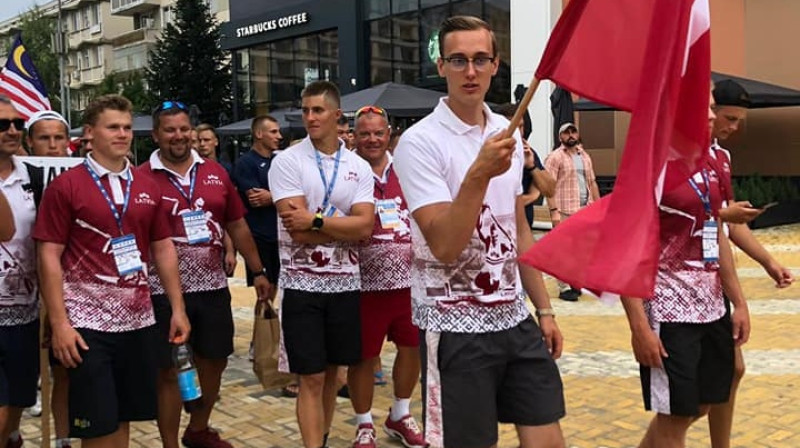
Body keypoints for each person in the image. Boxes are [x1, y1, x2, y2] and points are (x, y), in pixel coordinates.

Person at [393, 16, 566, 448]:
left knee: (548, 438)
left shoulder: (504, 133)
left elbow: (518, 229)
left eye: (480, 59)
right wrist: (478, 174)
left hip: (513, 317)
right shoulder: (420, 143)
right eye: (458, 60)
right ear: (441, 67)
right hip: (453, 324)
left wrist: (543, 309)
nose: (470, 71)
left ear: (495, 65)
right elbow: (445, 245)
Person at [34, 94, 191, 448]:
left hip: (138, 323)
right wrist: (59, 323)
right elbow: (49, 255)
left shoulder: (147, 184)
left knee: (123, 418)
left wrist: (177, 308)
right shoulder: (67, 186)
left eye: (126, 127)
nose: (122, 134)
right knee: (99, 427)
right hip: (88, 326)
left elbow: (163, 247)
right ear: (90, 133)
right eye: (112, 127)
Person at [138, 101, 273, 448]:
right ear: (156, 135)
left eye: (184, 129)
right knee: (168, 373)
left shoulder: (215, 173)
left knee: (215, 360)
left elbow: (237, 223)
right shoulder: (140, 177)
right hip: (162, 293)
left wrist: (257, 270)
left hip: (212, 287)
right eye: (169, 130)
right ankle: (169, 443)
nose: (178, 136)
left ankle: (198, 428)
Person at [620, 90, 750, 448]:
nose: (711, 116)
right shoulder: (652, 163)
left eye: (711, 108)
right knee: (674, 418)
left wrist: (738, 303)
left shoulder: (710, 162)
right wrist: (639, 325)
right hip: (667, 309)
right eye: (703, 107)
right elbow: (626, 246)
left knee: (704, 403)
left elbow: (716, 233)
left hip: (709, 307)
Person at [269, 80, 374, 448]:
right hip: (302, 287)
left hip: (345, 284)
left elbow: (365, 227)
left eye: (318, 110)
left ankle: (324, 438)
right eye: (306, 110)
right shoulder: (287, 162)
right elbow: (295, 233)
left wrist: (316, 221)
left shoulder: (357, 166)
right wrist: (342, 227)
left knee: (333, 375)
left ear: (336, 114)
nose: (310, 117)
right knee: (310, 377)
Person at [706, 79, 794, 448]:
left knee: (733, 370)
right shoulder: (678, 155)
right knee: (687, 401)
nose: (733, 127)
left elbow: (727, 226)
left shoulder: (721, 158)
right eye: (728, 118)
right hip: (680, 281)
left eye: (739, 121)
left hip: (713, 277)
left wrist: (769, 262)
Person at [348, 105, 425, 448]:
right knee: (364, 356)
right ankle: (364, 423)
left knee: (411, 349)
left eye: (379, 132)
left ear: (389, 133)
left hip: (409, 283)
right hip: (362, 285)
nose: (372, 139)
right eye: (365, 133)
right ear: (354, 136)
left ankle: (400, 413)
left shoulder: (406, 169)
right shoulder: (346, 171)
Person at [24, 109, 75, 448]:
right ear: (29, 143)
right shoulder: (12, 176)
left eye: (59, 138)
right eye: (44, 138)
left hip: (68, 287)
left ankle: (63, 437)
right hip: (19, 287)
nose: (53, 145)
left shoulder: (79, 176)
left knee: (65, 370)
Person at [0, 95, 38, 448]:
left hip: (25, 309)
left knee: (19, 398)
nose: (12, 130)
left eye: (18, 124)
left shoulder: (33, 175)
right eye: (3, 125)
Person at [544, 122, 600, 301]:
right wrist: (553, 211)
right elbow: (547, 186)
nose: (570, 135)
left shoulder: (584, 156)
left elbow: (592, 182)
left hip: (585, 209)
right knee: (564, 251)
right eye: (566, 133)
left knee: (581, 251)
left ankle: (575, 282)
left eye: (573, 131)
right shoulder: (555, 157)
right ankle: (564, 287)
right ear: (560, 137)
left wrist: (599, 208)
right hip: (564, 209)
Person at [494, 103, 555, 228]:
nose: (518, 132)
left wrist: (532, 166)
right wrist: (531, 197)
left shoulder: (528, 152)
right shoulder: (489, 154)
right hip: (496, 228)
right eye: (512, 127)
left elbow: (549, 189)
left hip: (523, 226)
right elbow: (496, 200)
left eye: (521, 127)